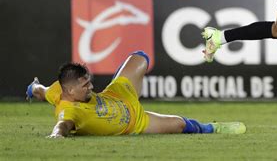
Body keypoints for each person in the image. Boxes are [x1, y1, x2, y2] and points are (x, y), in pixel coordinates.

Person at [26, 50, 246, 137]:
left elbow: (40, 90)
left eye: (89, 83)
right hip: (135, 122)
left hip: (117, 95)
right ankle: (213, 127)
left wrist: (32, 87)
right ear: (70, 90)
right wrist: (56, 136)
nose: (90, 87)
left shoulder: (56, 90)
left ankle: (119, 80)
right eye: (85, 86)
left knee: (139, 57)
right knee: (179, 124)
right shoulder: (68, 111)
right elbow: (62, 125)